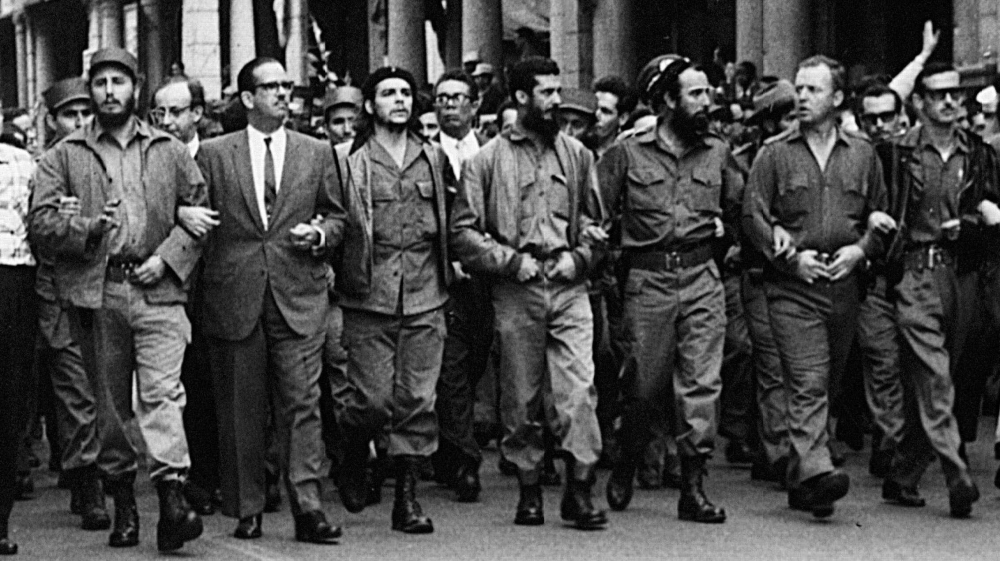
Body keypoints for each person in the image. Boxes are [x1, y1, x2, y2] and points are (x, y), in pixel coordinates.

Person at [29, 48, 206, 551]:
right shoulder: (63, 157)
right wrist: (87, 229)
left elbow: (198, 213)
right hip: (98, 290)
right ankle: (123, 499)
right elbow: (41, 227)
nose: (110, 91)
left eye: (119, 81)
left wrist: (169, 258)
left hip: (159, 289)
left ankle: (172, 498)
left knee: (162, 393)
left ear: (137, 87)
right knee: (110, 408)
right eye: (101, 82)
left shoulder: (169, 150)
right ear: (92, 88)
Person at [451, 56, 608, 530]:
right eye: (546, 92)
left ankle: (578, 490)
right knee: (521, 396)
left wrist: (579, 257)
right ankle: (529, 488)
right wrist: (511, 262)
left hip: (568, 286)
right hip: (516, 289)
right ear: (520, 98)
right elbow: (463, 233)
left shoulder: (578, 157)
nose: (556, 100)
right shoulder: (486, 161)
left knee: (579, 390)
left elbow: (596, 224)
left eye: (558, 90)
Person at [195, 57, 345, 544]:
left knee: (302, 403)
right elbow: (198, 219)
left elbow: (338, 217)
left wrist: (320, 233)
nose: (284, 94)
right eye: (271, 87)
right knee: (240, 405)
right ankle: (248, 508)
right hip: (234, 293)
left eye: (287, 85)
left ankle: (308, 505)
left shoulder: (316, 151)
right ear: (246, 98)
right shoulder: (215, 154)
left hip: (298, 294)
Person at [599, 54, 743, 524]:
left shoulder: (718, 152)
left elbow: (743, 206)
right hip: (648, 280)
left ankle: (693, 486)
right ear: (666, 101)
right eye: (696, 94)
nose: (708, 101)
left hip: (702, 277)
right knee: (642, 386)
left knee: (701, 385)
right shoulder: (627, 152)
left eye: (708, 92)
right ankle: (626, 458)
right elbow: (596, 212)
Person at [743, 55, 887, 519]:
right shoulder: (774, 153)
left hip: (843, 287)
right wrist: (787, 254)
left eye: (812, 90)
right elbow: (753, 216)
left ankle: (802, 477)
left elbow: (878, 216)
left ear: (838, 98)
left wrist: (860, 250)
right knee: (806, 381)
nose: (801, 98)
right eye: (798, 90)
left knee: (825, 380)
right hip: (793, 289)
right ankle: (818, 469)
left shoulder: (863, 154)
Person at [870, 63, 1000, 517]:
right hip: (914, 274)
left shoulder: (980, 154)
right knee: (936, 374)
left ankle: (903, 474)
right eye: (939, 95)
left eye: (956, 96)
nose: (950, 103)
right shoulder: (894, 153)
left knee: (938, 377)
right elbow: (875, 203)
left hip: (961, 275)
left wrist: (969, 222)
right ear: (920, 103)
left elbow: (992, 211)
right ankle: (954, 472)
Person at [332, 66, 451, 535]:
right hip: (369, 295)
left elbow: (449, 217)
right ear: (369, 106)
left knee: (417, 399)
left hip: (425, 294)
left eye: (405, 93)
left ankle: (407, 497)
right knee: (372, 400)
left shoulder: (434, 158)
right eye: (387, 94)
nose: (399, 100)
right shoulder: (348, 160)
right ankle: (354, 449)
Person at [31, 77, 111, 533]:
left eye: (86, 113)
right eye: (70, 115)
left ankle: (99, 472)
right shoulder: (46, 164)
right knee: (74, 392)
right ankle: (87, 482)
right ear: (52, 120)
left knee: (102, 391)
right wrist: (81, 227)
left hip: (104, 289)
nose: (80, 122)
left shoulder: (106, 158)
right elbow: (39, 228)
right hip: (58, 290)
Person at [150, 75, 225, 516]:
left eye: (176, 111)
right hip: (170, 287)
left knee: (219, 384)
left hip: (218, 285)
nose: (167, 121)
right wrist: (177, 210)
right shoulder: (149, 158)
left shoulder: (217, 156)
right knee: (183, 386)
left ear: (197, 113)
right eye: (159, 112)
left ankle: (227, 475)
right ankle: (195, 480)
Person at [428, 69, 492, 502]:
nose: (449, 105)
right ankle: (464, 460)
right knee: (450, 364)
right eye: (442, 98)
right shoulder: (427, 155)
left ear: (474, 106)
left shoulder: (491, 153)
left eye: (458, 98)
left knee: (475, 361)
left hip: (488, 276)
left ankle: (448, 445)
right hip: (442, 276)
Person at [733, 77, 797, 484]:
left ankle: (790, 445)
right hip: (762, 274)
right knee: (773, 364)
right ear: (770, 123)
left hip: (802, 277)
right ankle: (778, 452)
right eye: (788, 115)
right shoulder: (743, 162)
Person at [854, 83, 908, 478]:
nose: (879, 125)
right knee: (882, 363)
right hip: (872, 280)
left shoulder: (917, 158)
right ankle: (889, 442)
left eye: (886, 117)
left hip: (919, 276)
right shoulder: (854, 160)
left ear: (901, 117)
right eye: (870, 118)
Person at [0, 83, 38, 557]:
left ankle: (0, 518)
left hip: (11, 287)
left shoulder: (22, 165)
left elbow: (42, 225)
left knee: (7, 402)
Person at [591, 76, 637, 158]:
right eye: (593, 107)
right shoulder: (577, 149)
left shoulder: (629, 155)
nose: (596, 114)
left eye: (605, 111)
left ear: (623, 118)